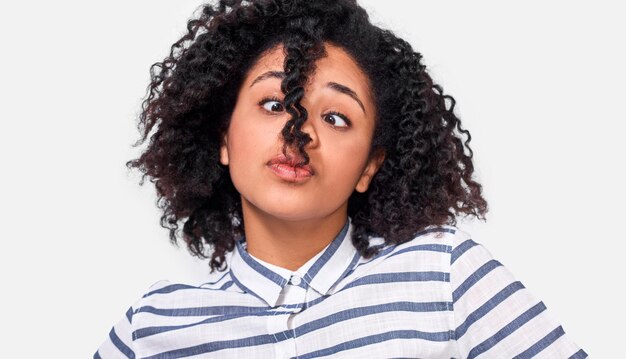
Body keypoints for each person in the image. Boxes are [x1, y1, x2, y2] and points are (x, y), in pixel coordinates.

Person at [94, 0, 587, 357]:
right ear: (223, 137)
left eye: (336, 118)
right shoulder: (153, 325)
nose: (298, 131)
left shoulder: (444, 276)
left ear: (369, 166)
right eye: (273, 104)